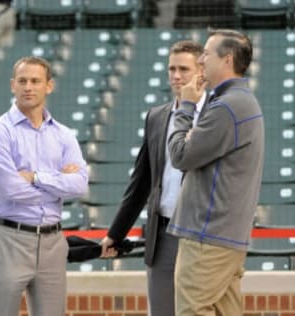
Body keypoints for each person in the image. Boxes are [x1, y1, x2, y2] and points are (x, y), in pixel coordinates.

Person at [100, 40, 206, 316]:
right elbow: (141, 181)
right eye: (172, 68)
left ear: (201, 72)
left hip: (203, 235)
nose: (176, 76)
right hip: (163, 234)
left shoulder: (216, 115)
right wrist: (116, 233)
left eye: (184, 69)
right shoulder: (157, 117)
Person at [0, 56, 88, 316]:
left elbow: (80, 184)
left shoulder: (63, 135)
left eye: (35, 81)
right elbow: (10, 189)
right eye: (22, 81)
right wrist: (57, 182)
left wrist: (36, 177)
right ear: (12, 85)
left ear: (48, 86)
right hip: (10, 240)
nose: (28, 87)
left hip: (53, 242)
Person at [167, 29, 264, 315]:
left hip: (207, 236)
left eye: (207, 54)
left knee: (192, 309)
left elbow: (180, 156)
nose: (201, 61)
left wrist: (185, 107)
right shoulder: (240, 101)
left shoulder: (228, 106)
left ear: (228, 59)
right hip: (225, 236)